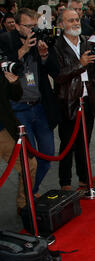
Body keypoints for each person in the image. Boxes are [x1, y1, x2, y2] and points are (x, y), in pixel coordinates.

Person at [0, 8, 60, 198]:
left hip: (40, 107)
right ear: (16, 25)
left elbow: (55, 71)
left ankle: (30, 192)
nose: (32, 30)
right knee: (28, 159)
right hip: (18, 109)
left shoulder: (40, 41)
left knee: (48, 155)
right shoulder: (5, 41)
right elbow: (5, 69)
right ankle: (26, 200)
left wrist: (44, 55)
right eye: (28, 26)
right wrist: (23, 49)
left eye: (35, 26)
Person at [53, 8, 95, 190]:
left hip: (88, 99)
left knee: (85, 142)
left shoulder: (86, 42)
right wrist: (80, 64)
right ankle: (65, 183)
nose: (76, 23)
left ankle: (85, 179)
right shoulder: (56, 46)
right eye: (71, 20)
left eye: (77, 19)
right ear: (61, 24)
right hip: (68, 101)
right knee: (68, 144)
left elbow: (93, 71)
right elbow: (59, 76)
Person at [0, 69, 37, 215]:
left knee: (30, 165)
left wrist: (14, 82)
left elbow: (15, 96)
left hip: (4, 130)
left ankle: (23, 204)